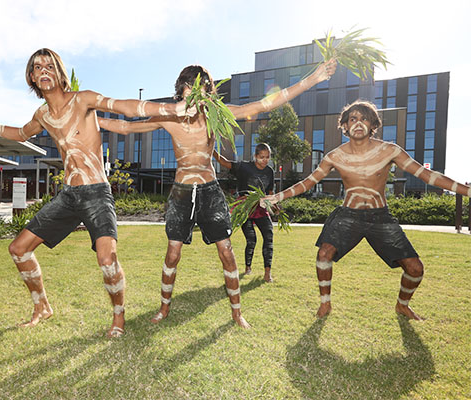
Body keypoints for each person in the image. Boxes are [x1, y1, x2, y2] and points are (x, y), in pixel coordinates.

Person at [0, 48, 192, 337]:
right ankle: (42, 306)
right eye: (37, 67)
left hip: (96, 192)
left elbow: (127, 107)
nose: (43, 70)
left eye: (49, 65)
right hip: (69, 195)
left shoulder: (82, 100)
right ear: (32, 78)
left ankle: (118, 317)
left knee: (107, 259)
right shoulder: (43, 114)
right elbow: (19, 133)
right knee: (18, 249)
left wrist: (176, 109)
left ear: (59, 73)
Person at [99, 59, 336, 328]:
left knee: (226, 251)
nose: (194, 91)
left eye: (200, 86)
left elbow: (261, 105)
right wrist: (89, 117)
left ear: (209, 91)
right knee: (173, 253)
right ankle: (164, 308)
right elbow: (128, 126)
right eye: (188, 86)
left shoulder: (215, 115)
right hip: (181, 192)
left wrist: (313, 79)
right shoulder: (168, 117)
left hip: (210, 191)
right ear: (182, 89)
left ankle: (237, 313)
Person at [260, 100, 471, 321]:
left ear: (372, 125)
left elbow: (427, 175)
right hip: (348, 215)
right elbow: (308, 182)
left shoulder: (389, 150)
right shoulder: (335, 156)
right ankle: (325, 304)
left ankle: (402, 305)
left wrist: (465, 190)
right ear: (345, 126)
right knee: (324, 254)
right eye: (353, 119)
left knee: (415, 269)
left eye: (364, 119)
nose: (358, 123)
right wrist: (277, 196)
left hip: (380, 217)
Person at [213, 143, 275, 282]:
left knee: (269, 235)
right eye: (261, 157)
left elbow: (270, 192)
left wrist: (273, 204)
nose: (264, 160)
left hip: (260, 207)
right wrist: (212, 150)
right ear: (255, 156)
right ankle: (248, 267)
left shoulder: (269, 171)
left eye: (267, 157)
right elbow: (225, 162)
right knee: (251, 239)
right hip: (244, 208)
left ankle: (267, 272)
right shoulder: (244, 167)